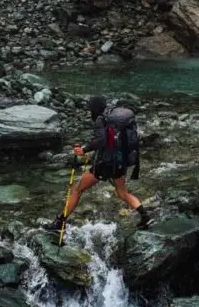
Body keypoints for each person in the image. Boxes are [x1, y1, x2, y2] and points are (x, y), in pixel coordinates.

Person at [50, 95, 150, 235]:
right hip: (120, 161)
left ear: (93, 110)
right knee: (122, 193)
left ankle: (60, 222)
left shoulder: (100, 119)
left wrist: (83, 150)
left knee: (77, 189)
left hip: (106, 164)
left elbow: (101, 141)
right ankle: (146, 217)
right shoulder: (112, 117)